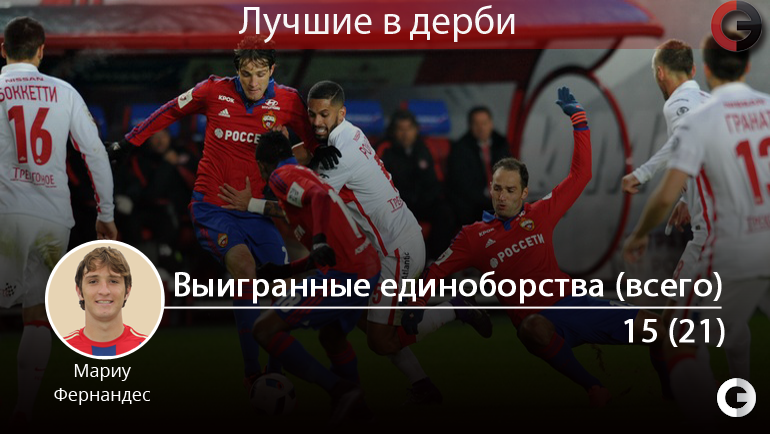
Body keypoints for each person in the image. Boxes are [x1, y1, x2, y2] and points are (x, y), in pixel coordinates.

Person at [226, 80, 491, 404]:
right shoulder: (345, 134)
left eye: (324, 114)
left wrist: (253, 201)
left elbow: (305, 199)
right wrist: (280, 151)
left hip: (397, 248)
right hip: (380, 248)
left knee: (380, 338)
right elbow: (305, 155)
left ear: (342, 113)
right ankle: (420, 384)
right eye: (312, 114)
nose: (317, 122)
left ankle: (455, 310)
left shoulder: (341, 154)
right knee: (361, 322)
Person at [406, 88, 668, 407]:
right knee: (532, 328)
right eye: (497, 189)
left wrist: (579, 121)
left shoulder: (540, 213)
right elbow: (437, 271)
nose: (502, 196)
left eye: (510, 190)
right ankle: (595, 388)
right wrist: (416, 303)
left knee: (663, 329)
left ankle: (671, 395)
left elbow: (581, 174)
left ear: (524, 193)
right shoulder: (473, 236)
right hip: (538, 320)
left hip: (575, 303)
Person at [104, 36, 340, 388]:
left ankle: (275, 373)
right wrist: (129, 141)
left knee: (284, 284)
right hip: (213, 206)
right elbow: (171, 109)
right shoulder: (213, 91)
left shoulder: (289, 100)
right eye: (246, 74)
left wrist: (321, 149)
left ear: (272, 70)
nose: (253, 82)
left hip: (255, 211)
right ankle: (252, 374)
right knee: (244, 268)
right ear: (237, 71)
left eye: (260, 73)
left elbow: (312, 142)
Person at [622, 33, 770, 421]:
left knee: (675, 334)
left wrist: (644, 178)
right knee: (731, 322)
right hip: (762, 234)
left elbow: (682, 149)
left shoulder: (685, 106)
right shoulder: (759, 106)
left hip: (721, 237)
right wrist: (691, 198)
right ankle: (743, 398)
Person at [0, 16, 117, 423]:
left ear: (3, 48)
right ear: (41, 51)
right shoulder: (63, 92)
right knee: (36, 315)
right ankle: (24, 409)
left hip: (5, 213)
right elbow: (95, 153)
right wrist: (106, 213)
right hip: (52, 218)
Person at [247, 131, 380, 423]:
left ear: (261, 165)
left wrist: (318, 241)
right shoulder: (302, 174)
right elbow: (325, 249)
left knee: (264, 330)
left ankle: (340, 390)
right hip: (365, 267)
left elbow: (318, 199)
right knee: (332, 338)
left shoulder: (280, 177)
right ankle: (357, 410)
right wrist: (286, 270)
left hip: (345, 275)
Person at [377, 109, 455, 260]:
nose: (405, 134)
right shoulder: (385, 149)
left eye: (409, 128)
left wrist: (426, 198)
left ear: (416, 130)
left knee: (445, 212)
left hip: (424, 202)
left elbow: (435, 180)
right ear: (393, 131)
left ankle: (435, 260)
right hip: (398, 205)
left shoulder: (425, 148)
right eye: (401, 129)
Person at [64, 246, 147, 356]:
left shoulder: (146, 347)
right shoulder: (61, 349)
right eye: (93, 281)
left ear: (127, 291)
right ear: (79, 292)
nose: (104, 291)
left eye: (113, 281)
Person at [447, 106, 511, 227]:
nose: (481, 128)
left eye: (484, 123)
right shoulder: (461, 148)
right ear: (470, 126)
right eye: (476, 124)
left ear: (491, 124)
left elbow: (511, 173)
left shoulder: (501, 144)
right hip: (473, 202)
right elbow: (462, 185)